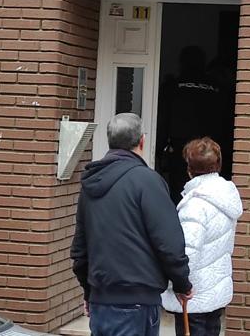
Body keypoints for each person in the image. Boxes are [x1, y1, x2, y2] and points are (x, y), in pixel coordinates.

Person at [70, 113, 193, 336]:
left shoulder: (90, 184)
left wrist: (90, 292)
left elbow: (80, 251)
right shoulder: (148, 181)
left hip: (101, 302)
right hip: (137, 304)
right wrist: (182, 284)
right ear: (142, 141)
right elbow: (168, 243)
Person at [162, 137, 243, 336]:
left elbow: (188, 252)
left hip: (194, 295)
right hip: (215, 290)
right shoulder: (225, 196)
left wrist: (181, 285)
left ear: (189, 168)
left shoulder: (195, 205)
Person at [155, 45, 222, 204]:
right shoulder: (217, 88)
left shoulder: (172, 87)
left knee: (179, 194)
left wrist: (157, 150)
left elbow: (163, 120)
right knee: (209, 192)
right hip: (210, 149)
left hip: (180, 149)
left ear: (181, 63)